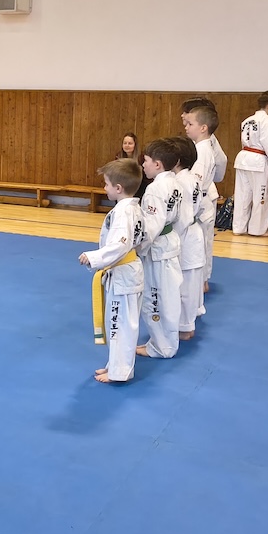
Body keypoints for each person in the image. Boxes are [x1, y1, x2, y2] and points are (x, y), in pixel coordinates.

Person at [79, 159, 146, 384]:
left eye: (106, 184)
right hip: (127, 271)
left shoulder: (123, 212)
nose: (104, 188)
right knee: (119, 324)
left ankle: (120, 372)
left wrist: (94, 257)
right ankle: (115, 366)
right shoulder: (132, 208)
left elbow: (119, 245)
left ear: (118, 188)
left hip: (124, 274)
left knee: (120, 326)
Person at [136, 139, 190, 360]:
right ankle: (163, 341)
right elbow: (183, 218)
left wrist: (138, 248)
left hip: (157, 248)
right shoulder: (175, 183)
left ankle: (162, 347)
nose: (143, 165)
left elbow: (152, 226)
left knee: (155, 298)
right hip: (170, 242)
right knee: (169, 295)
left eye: (146, 161)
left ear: (157, 164)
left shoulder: (155, 189)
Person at [167, 136, 203, 340]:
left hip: (186, 234)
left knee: (186, 284)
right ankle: (189, 319)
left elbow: (183, 216)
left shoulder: (180, 183)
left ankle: (186, 327)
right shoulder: (192, 178)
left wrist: (172, 239)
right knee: (190, 281)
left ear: (177, 160)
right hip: (193, 232)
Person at [181, 103, 219, 297]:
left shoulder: (202, 151)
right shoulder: (201, 147)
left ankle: (201, 281)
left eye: (191, 124)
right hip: (201, 203)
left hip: (199, 204)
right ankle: (201, 280)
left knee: (200, 245)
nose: (186, 127)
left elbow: (196, 183)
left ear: (203, 127)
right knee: (201, 243)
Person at [233, 91, 268, 236]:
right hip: (258, 161)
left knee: (242, 195)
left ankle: (238, 228)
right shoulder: (267, 121)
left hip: (243, 158)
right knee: (261, 196)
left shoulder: (247, 120)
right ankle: (257, 230)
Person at [114, 131, 150, 198]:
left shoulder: (141, 158)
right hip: (123, 187)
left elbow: (145, 178)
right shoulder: (118, 156)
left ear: (135, 145)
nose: (127, 145)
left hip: (139, 188)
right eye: (125, 143)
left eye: (130, 143)